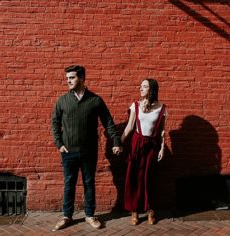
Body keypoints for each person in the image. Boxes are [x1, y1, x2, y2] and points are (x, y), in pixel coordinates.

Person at [51, 65, 122, 231]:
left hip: (89, 151)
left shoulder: (95, 100)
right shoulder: (62, 100)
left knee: (89, 183)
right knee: (69, 183)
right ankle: (66, 216)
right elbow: (55, 123)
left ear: (82, 78)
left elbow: (108, 122)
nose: (68, 81)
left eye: (72, 77)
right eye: (67, 78)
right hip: (68, 151)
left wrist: (116, 141)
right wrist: (59, 144)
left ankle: (90, 215)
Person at [120, 78, 168, 225]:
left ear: (152, 89)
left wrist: (162, 147)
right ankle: (134, 210)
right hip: (136, 144)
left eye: (144, 86)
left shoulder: (162, 108)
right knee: (134, 177)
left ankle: (150, 210)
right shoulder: (135, 106)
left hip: (152, 145)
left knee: (149, 177)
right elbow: (129, 127)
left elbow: (162, 131)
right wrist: (119, 143)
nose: (140, 88)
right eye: (140, 86)